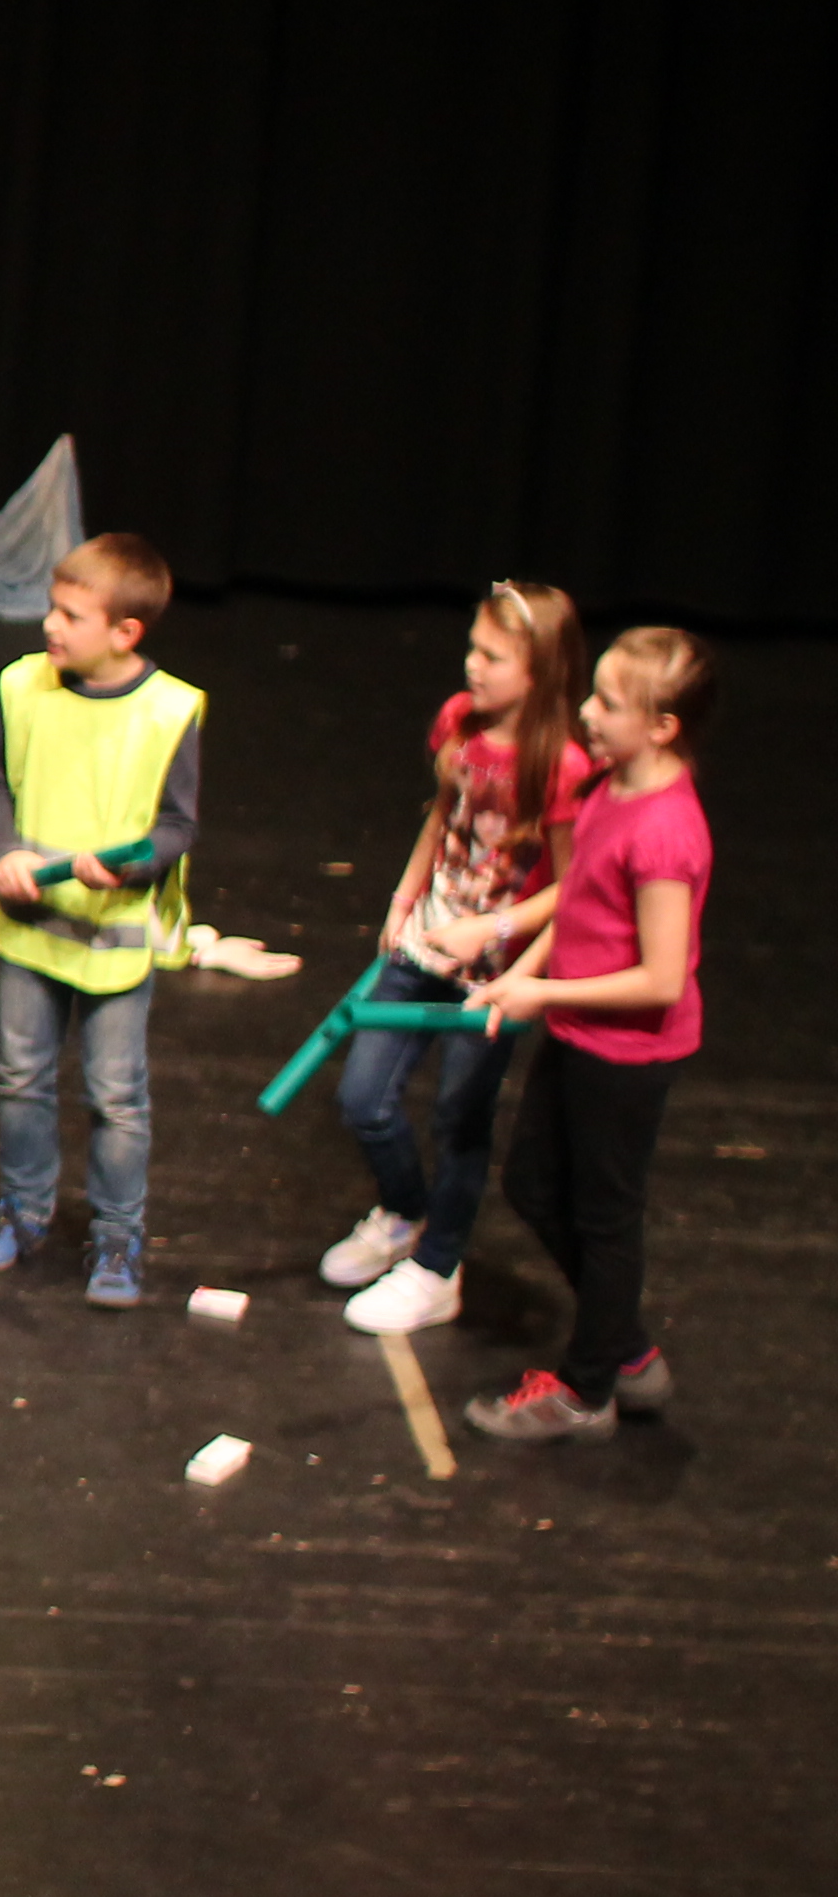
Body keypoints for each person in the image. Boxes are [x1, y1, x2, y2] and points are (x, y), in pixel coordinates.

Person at [462, 628, 714, 1441]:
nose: (587, 714)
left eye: (609, 703)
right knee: (534, 1186)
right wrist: (524, 969)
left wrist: (541, 991)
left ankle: (589, 1389)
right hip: (578, 1030)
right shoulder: (610, 787)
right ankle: (625, 1347)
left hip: (626, 1055)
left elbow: (662, 978)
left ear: (664, 726)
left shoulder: (666, 833)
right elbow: (576, 900)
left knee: (606, 1219)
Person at [323, 581, 591, 1332]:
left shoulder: (561, 764)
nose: (474, 665)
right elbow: (445, 817)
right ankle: (404, 1213)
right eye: (473, 648)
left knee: (458, 1117)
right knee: (363, 1098)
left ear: (538, 671)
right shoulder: (458, 722)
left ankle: (439, 1266)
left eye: (493, 657)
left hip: (495, 970)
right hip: (427, 940)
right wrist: (403, 899)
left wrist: (506, 951)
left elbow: (574, 888)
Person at [0, 534, 202, 1309]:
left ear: (125, 632)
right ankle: (23, 1208)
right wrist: (5, 851)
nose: (50, 625)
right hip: (30, 926)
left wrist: (128, 866)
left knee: (116, 1095)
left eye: (71, 615)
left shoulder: (168, 710)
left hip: (111, 939)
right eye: (53, 608)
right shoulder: (23, 686)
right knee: (20, 1075)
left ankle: (118, 1235)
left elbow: (176, 826)